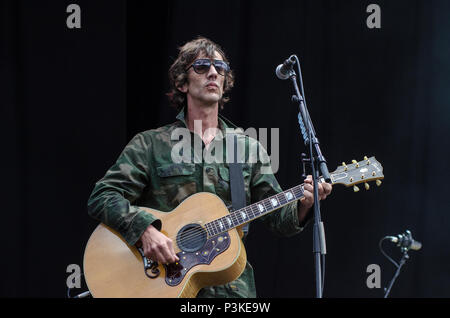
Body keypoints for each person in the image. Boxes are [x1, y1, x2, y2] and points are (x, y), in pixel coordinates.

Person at [87, 36, 332, 298]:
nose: (214, 72)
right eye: (202, 66)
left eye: (220, 67)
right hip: (166, 287)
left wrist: (305, 203)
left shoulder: (247, 148)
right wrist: (145, 231)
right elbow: (103, 196)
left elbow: (279, 221)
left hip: (232, 292)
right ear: (182, 83)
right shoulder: (150, 145)